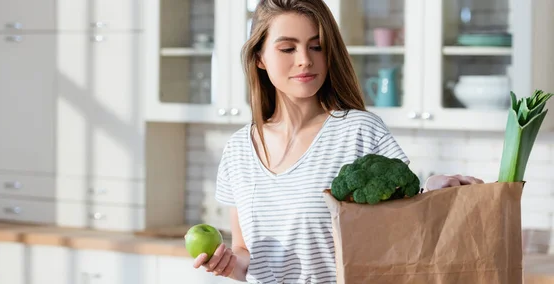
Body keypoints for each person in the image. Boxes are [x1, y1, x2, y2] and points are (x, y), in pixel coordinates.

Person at [192, 0, 484, 283]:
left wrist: (430, 193)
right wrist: (228, 264)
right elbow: (246, 255)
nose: (305, 59)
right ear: (260, 58)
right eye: (287, 48)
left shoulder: (359, 132)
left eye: (317, 46)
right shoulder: (238, 149)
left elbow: (402, 230)